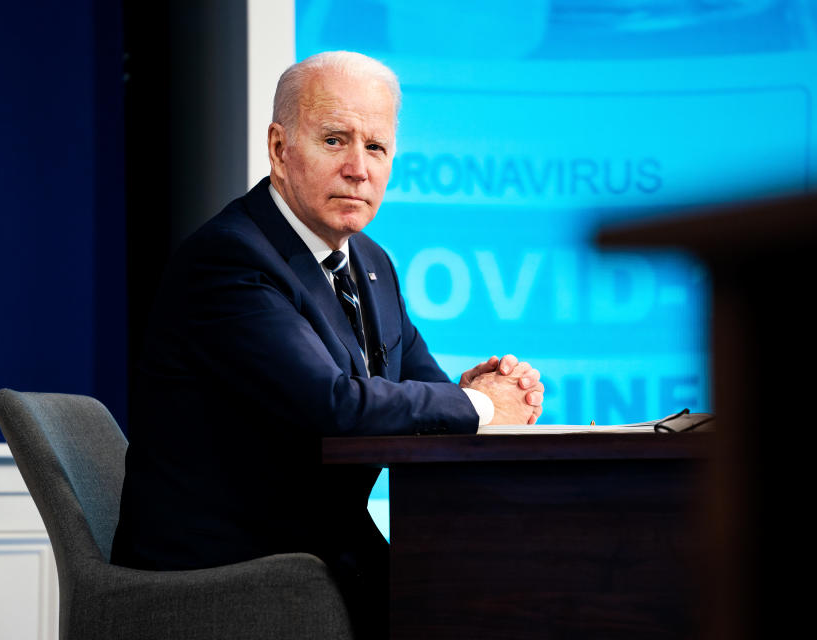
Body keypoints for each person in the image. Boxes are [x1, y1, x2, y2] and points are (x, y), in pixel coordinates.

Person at [111, 51, 544, 638]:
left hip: (328, 555)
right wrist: (482, 407)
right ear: (278, 148)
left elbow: (422, 390)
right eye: (336, 140)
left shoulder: (370, 262)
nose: (359, 169)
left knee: (506, 594)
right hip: (229, 572)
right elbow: (333, 407)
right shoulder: (230, 259)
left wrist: (481, 391)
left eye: (377, 148)